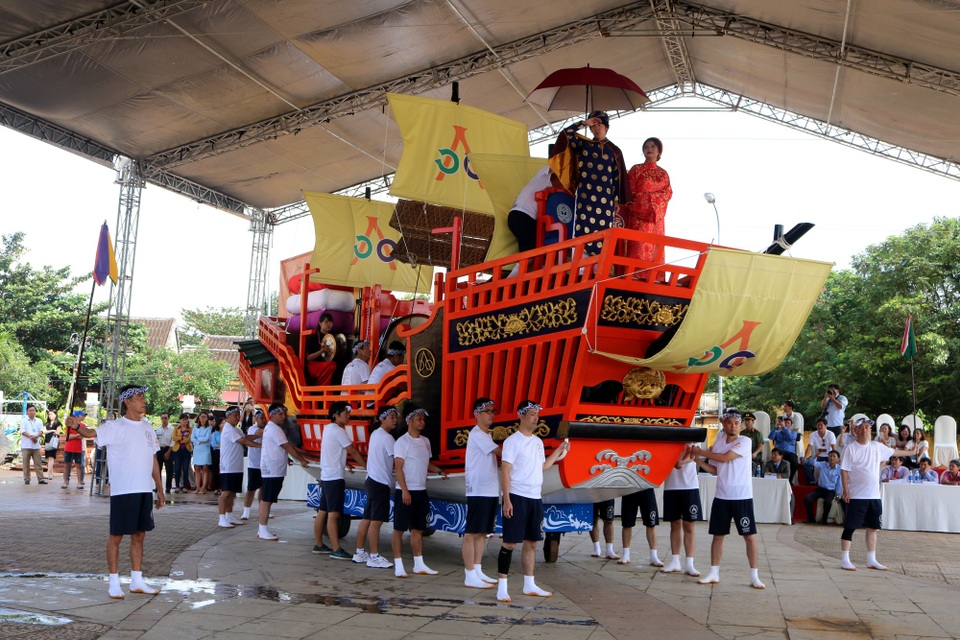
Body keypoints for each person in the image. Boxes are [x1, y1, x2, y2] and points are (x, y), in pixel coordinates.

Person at [72, 384, 165, 599]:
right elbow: (89, 432)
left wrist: (159, 489)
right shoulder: (114, 426)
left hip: (144, 489)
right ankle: (113, 582)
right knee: (116, 536)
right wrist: (78, 427)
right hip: (124, 490)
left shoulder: (148, 427)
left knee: (139, 535)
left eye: (143, 396)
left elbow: (153, 459)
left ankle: (137, 580)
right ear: (127, 402)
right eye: (139, 397)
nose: (143, 400)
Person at [497, 400, 570, 602]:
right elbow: (505, 471)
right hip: (517, 496)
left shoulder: (538, 442)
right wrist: (507, 499)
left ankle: (529, 584)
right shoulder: (513, 441)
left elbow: (543, 467)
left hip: (535, 497)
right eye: (532, 414)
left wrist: (559, 450)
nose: (536, 417)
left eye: (537, 414)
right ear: (521, 416)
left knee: (532, 542)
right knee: (510, 543)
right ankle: (502, 586)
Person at [691, 408, 766, 589]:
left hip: (742, 496)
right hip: (722, 496)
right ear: (723, 424)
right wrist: (699, 461)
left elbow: (725, 458)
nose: (733, 426)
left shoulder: (745, 441)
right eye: (729, 422)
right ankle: (714, 572)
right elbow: (716, 469)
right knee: (718, 535)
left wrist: (701, 452)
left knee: (749, 536)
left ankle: (754, 575)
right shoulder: (718, 444)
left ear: (740, 426)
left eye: (736, 423)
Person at [548, 111, 630, 256]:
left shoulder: (615, 151)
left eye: (600, 125)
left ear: (606, 128)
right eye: (594, 125)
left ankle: (597, 273)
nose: (597, 128)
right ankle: (579, 273)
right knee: (582, 234)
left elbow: (618, 177)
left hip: (605, 201)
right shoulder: (582, 145)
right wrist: (584, 123)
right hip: (585, 198)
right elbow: (565, 134)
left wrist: (617, 200)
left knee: (603, 237)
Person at [839, 417, 912, 571]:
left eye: (867, 427)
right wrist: (846, 490)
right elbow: (844, 471)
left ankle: (871, 559)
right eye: (862, 427)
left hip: (874, 495)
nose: (865, 430)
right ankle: (845, 559)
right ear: (856, 430)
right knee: (851, 526)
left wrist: (913, 451)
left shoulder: (877, 446)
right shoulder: (850, 448)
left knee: (873, 527)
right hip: (857, 495)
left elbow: (895, 451)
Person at [392, 404, 448, 578]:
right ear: (409, 420)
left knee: (418, 529)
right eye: (418, 419)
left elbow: (425, 463)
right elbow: (398, 468)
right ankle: (398, 565)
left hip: (421, 491)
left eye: (423, 419)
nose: (422, 422)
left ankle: (419, 563)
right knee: (399, 529)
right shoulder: (402, 442)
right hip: (406, 491)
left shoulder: (425, 441)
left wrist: (439, 470)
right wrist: (405, 491)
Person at [313, 401, 366, 559]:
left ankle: (319, 544)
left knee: (323, 512)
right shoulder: (339, 431)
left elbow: (333, 451)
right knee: (334, 514)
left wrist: (346, 463)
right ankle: (336, 549)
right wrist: (368, 466)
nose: (348, 416)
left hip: (326, 476)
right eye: (345, 413)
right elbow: (353, 451)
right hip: (334, 478)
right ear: (336, 415)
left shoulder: (328, 429)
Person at [462, 398, 501, 588]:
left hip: (490, 489)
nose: (492, 414)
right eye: (487, 411)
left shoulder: (487, 436)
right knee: (471, 532)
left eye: (493, 411)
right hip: (479, 490)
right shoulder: (477, 434)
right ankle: (469, 574)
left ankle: (477, 570)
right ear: (477, 414)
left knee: (482, 533)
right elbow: (500, 453)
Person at [353, 406, 399, 569]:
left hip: (371, 480)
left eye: (395, 417)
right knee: (376, 521)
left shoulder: (375, 434)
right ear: (383, 418)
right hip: (380, 483)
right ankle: (374, 556)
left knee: (367, 518)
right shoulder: (387, 438)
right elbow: (398, 461)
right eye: (392, 417)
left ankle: (359, 553)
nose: (395, 420)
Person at [258, 404, 310, 541]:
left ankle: (261, 529)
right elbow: (287, 446)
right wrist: (301, 460)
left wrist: (285, 458)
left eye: (284, 413)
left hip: (273, 468)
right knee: (267, 500)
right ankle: (262, 529)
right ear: (273, 414)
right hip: (272, 470)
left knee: (267, 499)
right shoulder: (275, 429)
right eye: (281, 414)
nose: (284, 416)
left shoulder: (273, 428)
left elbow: (277, 448)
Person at [621, 137, 672, 271]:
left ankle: (654, 280)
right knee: (638, 248)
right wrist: (650, 201)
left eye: (653, 146)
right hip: (639, 219)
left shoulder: (663, 174)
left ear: (659, 152)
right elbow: (629, 193)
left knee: (656, 252)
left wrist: (651, 202)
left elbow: (668, 194)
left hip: (657, 221)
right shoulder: (636, 170)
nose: (649, 149)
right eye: (646, 147)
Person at [216, 406, 262, 528]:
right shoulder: (228, 429)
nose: (237, 418)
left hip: (236, 466)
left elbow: (246, 437)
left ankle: (229, 515)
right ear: (228, 416)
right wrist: (262, 446)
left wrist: (258, 436)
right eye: (235, 415)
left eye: (238, 415)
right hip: (228, 466)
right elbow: (244, 442)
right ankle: (221, 518)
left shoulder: (235, 429)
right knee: (226, 493)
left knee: (232, 493)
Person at [660, 447, 702, 576]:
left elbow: (692, 454)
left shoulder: (692, 436)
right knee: (675, 524)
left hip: (689, 485)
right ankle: (675, 561)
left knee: (689, 525)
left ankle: (689, 563)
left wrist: (681, 462)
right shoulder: (668, 436)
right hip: (672, 485)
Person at [617, 489, 662, 567]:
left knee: (651, 523)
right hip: (630, 488)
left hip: (646, 488)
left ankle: (653, 556)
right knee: (627, 523)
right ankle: (626, 554)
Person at [242, 408, 267, 521]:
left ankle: (262, 511)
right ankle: (246, 511)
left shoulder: (268, 428)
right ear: (256, 419)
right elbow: (256, 434)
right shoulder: (253, 428)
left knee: (263, 488)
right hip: (254, 464)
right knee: (251, 489)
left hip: (266, 464)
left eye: (265, 418)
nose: (264, 420)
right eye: (262, 418)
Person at [804, 450, 842, 523]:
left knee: (827, 502)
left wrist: (838, 495)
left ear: (838, 459)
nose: (832, 458)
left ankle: (824, 519)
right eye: (830, 456)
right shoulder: (823, 465)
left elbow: (839, 483)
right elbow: (812, 462)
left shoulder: (839, 469)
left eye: (834, 456)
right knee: (807, 499)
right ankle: (811, 519)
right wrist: (816, 455)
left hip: (830, 491)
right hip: (820, 489)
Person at [803, 419, 838, 485]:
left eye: (821, 425)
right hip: (817, 456)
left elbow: (834, 448)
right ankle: (812, 481)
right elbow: (809, 447)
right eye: (818, 425)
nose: (819, 427)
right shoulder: (813, 435)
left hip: (828, 457)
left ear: (826, 426)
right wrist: (805, 457)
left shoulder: (830, 434)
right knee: (806, 463)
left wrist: (834, 458)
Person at [305, 312, 337, 385]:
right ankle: (322, 389)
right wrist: (322, 351)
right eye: (326, 322)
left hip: (325, 365)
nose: (329, 324)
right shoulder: (313, 337)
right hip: (313, 365)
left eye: (331, 322)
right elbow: (308, 358)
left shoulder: (333, 338)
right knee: (331, 365)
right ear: (320, 323)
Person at [19, 405, 47, 484]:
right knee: (26, 464)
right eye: (30, 410)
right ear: (27, 412)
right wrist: (31, 437)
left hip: (36, 446)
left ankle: (41, 478)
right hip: (26, 445)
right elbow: (23, 431)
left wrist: (36, 436)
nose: (32, 412)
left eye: (33, 410)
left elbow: (41, 431)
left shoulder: (39, 421)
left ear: (35, 411)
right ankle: (27, 479)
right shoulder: (24, 421)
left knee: (38, 463)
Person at [62, 410, 88, 490]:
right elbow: (67, 437)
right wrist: (77, 434)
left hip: (78, 448)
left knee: (79, 466)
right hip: (69, 448)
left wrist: (74, 435)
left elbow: (83, 435)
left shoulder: (83, 425)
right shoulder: (69, 425)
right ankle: (65, 481)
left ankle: (79, 482)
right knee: (66, 465)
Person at [768, 415, 799, 483]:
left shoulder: (794, 433)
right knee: (775, 458)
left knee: (794, 461)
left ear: (790, 425)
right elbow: (770, 437)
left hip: (789, 453)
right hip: (779, 452)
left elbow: (792, 438)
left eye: (788, 423)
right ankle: (775, 478)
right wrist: (775, 427)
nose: (786, 424)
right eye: (785, 423)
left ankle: (789, 480)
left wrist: (784, 428)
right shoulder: (777, 432)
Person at [190, 411, 213, 494]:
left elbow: (206, 438)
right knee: (197, 468)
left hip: (205, 449)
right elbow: (192, 438)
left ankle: (203, 487)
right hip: (197, 448)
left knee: (205, 468)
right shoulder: (195, 427)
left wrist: (197, 439)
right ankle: (197, 487)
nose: (203, 418)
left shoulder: (209, 427)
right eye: (201, 416)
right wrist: (199, 441)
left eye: (204, 417)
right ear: (199, 418)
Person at [171, 413, 193, 493]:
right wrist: (181, 438)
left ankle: (185, 486)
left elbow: (189, 439)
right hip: (177, 450)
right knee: (177, 468)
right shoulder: (176, 428)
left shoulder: (190, 429)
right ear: (180, 420)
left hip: (186, 450)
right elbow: (173, 437)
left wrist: (181, 440)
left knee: (185, 468)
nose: (184, 421)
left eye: (186, 419)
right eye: (183, 419)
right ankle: (177, 486)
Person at [154, 412, 174, 494]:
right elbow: (155, 441)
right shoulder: (158, 429)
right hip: (159, 450)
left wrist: (169, 451)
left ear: (168, 418)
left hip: (168, 449)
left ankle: (168, 487)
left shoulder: (172, 429)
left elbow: (173, 441)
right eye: (162, 418)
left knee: (169, 470)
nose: (164, 420)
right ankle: (158, 486)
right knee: (158, 469)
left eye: (165, 418)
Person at [740, 411, 764, 476]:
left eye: (749, 421)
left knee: (754, 462)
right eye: (745, 421)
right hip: (744, 454)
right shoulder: (742, 433)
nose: (747, 422)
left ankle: (753, 476)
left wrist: (755, 453)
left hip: (754, 455)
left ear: (753, 422)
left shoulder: (757, 433)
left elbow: (760, 446)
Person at [43, 409, 61, 473]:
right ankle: (51, 472)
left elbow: (58, 432)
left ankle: (49, 473)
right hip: (47, 441)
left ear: (55, 415)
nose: (50, 416)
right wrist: (52, 430)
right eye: (49, 414)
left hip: (54, 441)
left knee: (51, 457)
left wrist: (53, 432)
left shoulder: (57, 423)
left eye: (52, 414)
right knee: (47, 458)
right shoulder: (47, 424)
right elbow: (44, 431)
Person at [210, 415, 222, 496]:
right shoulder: (214, 433)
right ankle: (216, 487)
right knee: (216, 470)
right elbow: (213, 444)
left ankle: (222, 487)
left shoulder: (226, 433)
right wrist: (222, 445)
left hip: (225, 453)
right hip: (216, 453)